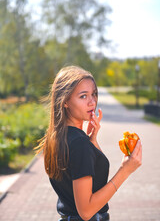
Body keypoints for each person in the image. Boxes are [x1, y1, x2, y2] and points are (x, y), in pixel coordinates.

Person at [36, 65, 142, 221]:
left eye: (94, 94)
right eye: (83, 96)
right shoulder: (79, 144)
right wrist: (125, 170)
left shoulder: (58, 137)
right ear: (65, 101)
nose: (92, 102)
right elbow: (86, 211)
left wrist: (92, 140)